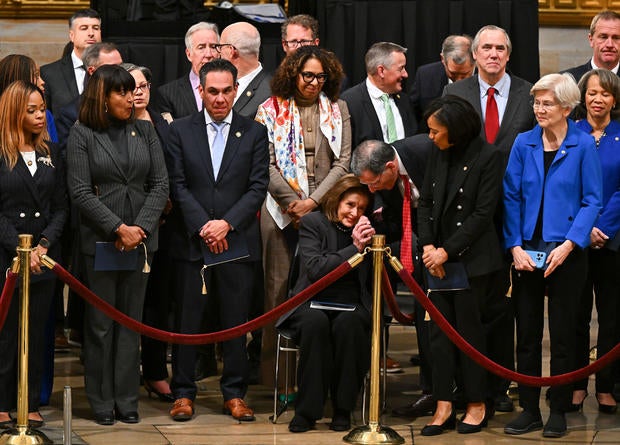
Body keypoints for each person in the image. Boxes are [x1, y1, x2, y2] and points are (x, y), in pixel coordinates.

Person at [166, 59, 268, 422]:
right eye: (213, 91)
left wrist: (225, 224)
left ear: (236, 90)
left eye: (227, 91)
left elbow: (257, 187)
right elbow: (177, 185)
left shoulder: (254, 132)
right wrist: (205, 226)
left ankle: (235, 394)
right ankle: (182, 393)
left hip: (236, 243)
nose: (220, 98)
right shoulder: (179, 130)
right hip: (192, 242)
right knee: (187, 321)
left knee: (235, 322)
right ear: (201, 91)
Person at [66, 64, 169, 426]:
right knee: (100, 325)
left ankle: (127, 399)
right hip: (102, 243)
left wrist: (138, 228)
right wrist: (117, 228)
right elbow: (79, 191)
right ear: (102, 96)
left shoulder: (145, 130)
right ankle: (100, 400)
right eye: (122, 92)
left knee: (131, 324)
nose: (131, 98)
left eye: (133, 91)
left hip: (140, 244)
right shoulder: (82, 134)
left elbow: (160, 185)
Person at [503, 73, 602, 438]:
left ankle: (558, 408)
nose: (538, 109)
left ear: (566, 107)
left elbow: (593, 200)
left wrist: (570, 244)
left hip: (567, 253)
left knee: (562, 335)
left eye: (546, 103)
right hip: (526, 253)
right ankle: (528, 408)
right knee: (526, 334)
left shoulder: (583, 144)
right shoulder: (523, 143)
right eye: (536, 102)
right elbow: (511, 197)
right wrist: (513, 246)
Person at [444, 24, 536, 413]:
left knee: (504, 309)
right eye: (487, 48)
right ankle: (469, 386)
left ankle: (501, 386)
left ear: (509, 55)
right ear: (475, 54)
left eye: (501, 48)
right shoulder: (456, 93)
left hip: (515, 213)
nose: (494, 54)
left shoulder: (529, 94)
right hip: (468, 216)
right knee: (472, 307)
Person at [255, 45, 351, 388]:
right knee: (277, 291)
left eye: (320, 76)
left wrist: (312, 202)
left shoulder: (338, 109)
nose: (313, 82)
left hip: (326, 207)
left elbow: (343, 162)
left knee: (322, 289)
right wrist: (293, 201)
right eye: (307, 75)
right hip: (279, 209)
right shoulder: (269, 110)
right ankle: (278, 382)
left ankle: (319, 381)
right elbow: (264, 164)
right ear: (293, 74)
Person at [416, 95, 503, 435]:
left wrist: (446, 252)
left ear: (457, 130)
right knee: (438, 336)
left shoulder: (489, 156)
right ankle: (443, 403)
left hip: (472, 262)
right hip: (435, 260)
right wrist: (427, 248)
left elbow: (483, 214)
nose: (430, 137)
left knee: (470, 334)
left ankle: (477, 403)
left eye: (436, 131)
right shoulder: (437, 153)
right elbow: (425, 204)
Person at [276, 174, 375, 433]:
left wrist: (369, 244)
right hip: (311, 300)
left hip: (352, 303)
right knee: (315, 324)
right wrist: (354, 248)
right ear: (337, 200)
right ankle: (307, 412)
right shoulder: (313, 223)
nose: (355, 213)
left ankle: (343, 410)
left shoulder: (368, 231)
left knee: (349, 325)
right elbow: (316, 269)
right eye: (350, 205)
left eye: (362, 208)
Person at [0, 80, 68, 428]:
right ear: (14, 112)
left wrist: (42, 247)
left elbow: (61, 208)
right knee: (6, 332)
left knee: (37, 331)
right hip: (6, 259)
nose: (40, 115)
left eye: (42, 108)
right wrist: (20, 247)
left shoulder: (53, 153)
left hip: (44, 259)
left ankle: (28, 402)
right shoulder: (0, 153)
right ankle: (2, 401)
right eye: (31, 110)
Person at [351, 136, 433, 414]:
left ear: (389, 166)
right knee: (424, 321)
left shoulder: (425, 151)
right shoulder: (382, 178)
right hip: (414, 245)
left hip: (446, 244)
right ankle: (431, 391)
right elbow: (397, 216)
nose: (371, 190)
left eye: (373, 183)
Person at [122, 63, 174, 402]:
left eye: (144, 84)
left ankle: (155, 371)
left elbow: (174, 171)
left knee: (158, 302)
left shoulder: (166, 123)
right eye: (132, 86)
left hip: (165, 227)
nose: (139, 91)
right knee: (124, 307)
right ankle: (123, 377)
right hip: (126, 229)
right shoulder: (112, 125)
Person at [571, 68, 620, 414]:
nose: (597, 99)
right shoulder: (570, 133)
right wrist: (584, 227)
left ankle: (605, 386)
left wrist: (603, 225)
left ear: (614, 99)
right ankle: (575, 385)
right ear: (582, 97)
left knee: (612, 317)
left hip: (614, 240)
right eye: (591, 93)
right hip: (575, 239)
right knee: (574, 316)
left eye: (604, 93)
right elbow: (565, 187)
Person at [341, 42, 417, 149]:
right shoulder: (349, 103)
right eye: (401, 68)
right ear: (381, 71)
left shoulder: (404, 100)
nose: (405, 74)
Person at [40, 8, 102, 114]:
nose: (91, 33)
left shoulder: (112, 68)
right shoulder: (49, 73)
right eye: (84, 28)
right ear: (71, 35)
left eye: (96, 28)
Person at [155, 22, 219, 121]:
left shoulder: (234, 88)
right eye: (201, 47)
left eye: (213, 47)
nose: (208, 54)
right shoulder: (168, 94)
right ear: (189, 54)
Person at [410, 34, 475, 132]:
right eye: (453, 73)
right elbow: (413, 115)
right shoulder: (425, 76)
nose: (458, 80)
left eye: (464, 74)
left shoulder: (487, 78)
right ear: (443, 60)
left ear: (475, 60)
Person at [562, 10, 620, 80]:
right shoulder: (568, 81)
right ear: (591, 40)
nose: (609, 44)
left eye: (616, 38)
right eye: (603, 37)